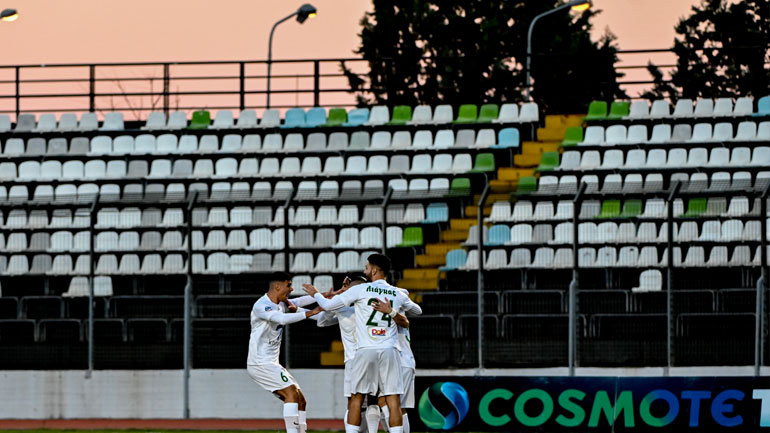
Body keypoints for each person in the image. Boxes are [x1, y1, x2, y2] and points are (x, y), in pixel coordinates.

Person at [303, 253, 419, 433]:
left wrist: (315, 294)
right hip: (390, 350)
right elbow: (417, 311)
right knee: (393, 400)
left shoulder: (362, 290)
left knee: (356, 398)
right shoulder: (397, 292)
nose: (365, 271)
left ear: (374, 270)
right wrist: (394, 309)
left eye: (367, 268)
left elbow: (327, 306)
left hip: (365, 350)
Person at [247, 271, 322, 433]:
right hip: (260, 363)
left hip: (271, 363)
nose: (291, 289)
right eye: (289, 285)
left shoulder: (281, 303)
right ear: (277, 286)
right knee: (291, 395)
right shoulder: (262, 305)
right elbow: (281, 319)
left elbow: (298, 301)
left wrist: (326, 295)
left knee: (300, 400)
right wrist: (310, 313)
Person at [372, 285, 420, 433]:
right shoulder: (397, 316)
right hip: (406, 362)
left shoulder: (395, 317)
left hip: (399, 362)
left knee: (385, 401)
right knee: (399, 407)